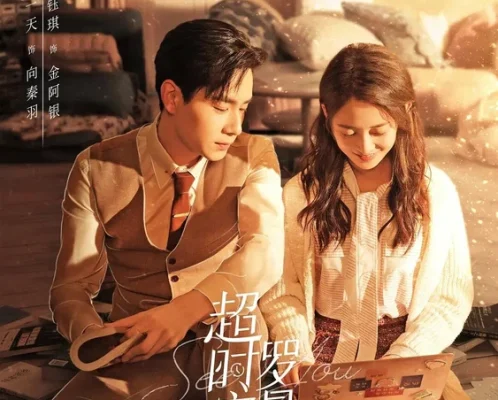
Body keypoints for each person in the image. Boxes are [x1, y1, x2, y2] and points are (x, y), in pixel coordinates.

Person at [49, 19, 284, 399]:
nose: (234, 126)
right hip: (138, 348)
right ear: (172, 97)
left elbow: (264, 251)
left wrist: (184, 311)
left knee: (240, 328)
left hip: (228, 338)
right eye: (221, 107)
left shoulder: (255, 154)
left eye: (243, 108)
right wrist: (95, 336)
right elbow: (71, 286)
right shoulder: (96, 168)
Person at [259, 43, 473, 398]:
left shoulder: (435, 192)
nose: (364, 146)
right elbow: (283, 288)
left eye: (378, 130)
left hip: (408, 354)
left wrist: (402, 360)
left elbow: (449, 298)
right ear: (326, 114)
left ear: (403, 115)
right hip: (318, 357)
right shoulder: (302, 192)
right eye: (348, 131)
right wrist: (294, 351)